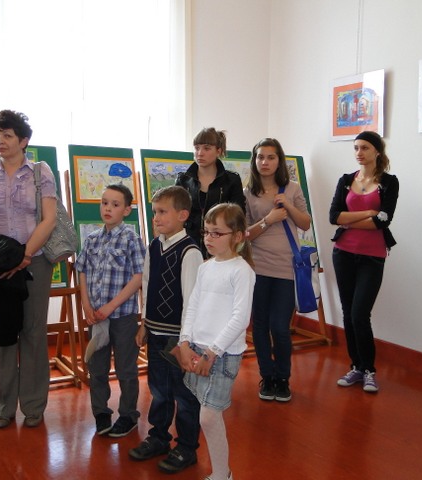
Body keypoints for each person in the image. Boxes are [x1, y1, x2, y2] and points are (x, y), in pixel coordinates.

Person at [0, 110, 57, 428]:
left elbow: (48, 218)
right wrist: (6, 256)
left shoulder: (40, 172)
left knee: (33, 333)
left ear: (23, 141)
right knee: (4, 334)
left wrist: (24, 254)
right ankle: (3, 406)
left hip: (35, 262)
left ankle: (33, 406)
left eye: (7, 135)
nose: (0, 141)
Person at [178, 203, 255, 480]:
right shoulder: (206, 267)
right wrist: (184, 341)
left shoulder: (241, 271)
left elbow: (240, 318)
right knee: (202, 411)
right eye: (206, 232)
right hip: (197, 349)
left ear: (237, 236)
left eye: (217, 233)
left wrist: (212, 352)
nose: (209, 238)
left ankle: (222, 474)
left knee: (209, 417)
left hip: (221, 355)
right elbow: (193, 305)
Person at [129, 186, 203, 473]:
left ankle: (186, 447)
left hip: (178, 337)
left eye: (162, 212)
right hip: (156, 332)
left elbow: (192, 299)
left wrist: (185, 341)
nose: (156, 218)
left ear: (182, 215)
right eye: (154, 212)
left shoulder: (190, 251)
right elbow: (147, 285)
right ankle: (159, 437)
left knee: (184, 394)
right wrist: (144, 323)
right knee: (159, 390)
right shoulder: (154, 246)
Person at [329, 131, 399, 393]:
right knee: (348, 312)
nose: (359, 152)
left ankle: (369, 370)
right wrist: (368, 212)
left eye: (365, 148)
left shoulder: (389, 182)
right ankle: (356, 367)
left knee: (360, 313)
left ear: (377, 151)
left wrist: (351, 219)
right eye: (356, 147)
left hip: (372, 255)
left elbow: (382, 220)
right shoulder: (346, 180)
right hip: (343, 253)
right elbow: (334, 217)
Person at [75, 184, 146, 438]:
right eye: (104, 203)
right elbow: (82, 271)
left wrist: (111, 306)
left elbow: (138, 277)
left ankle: (128, 415)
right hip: (96, 317)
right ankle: (101, 413)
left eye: (115, 205)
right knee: (97, 368)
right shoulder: (92, 239)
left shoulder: (131, 239)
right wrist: (86, 304)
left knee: (126, 369)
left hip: (122, 316)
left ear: (126, 210)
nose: (108, 208)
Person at [244, 138, 311, 402]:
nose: (265, 162)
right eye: (260, 157)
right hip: (258, 268)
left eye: (271, 157)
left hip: (286, 269)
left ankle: (283, 378)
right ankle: (267, 376)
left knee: (280, 327)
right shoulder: (248, 192)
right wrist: (268, 219)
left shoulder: (292, 188)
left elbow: (305, 223)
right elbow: (244, 235)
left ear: (279, 160)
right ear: (254, 160)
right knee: (260, 326)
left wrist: (288, 206)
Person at [175, 127, 245, 256]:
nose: (200, 153)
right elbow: (175, 215)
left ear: (219, 151)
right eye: (197, 148)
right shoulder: (183, 180)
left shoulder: (231, 180)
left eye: (206, 148)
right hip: (188, 247)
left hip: (221, 248)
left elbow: (238, 217)